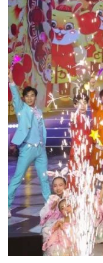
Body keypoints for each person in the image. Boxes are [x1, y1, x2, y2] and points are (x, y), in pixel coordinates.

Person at [8, 73, 50, 216]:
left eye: (32, 95)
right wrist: (11, 81)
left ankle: (49, 205)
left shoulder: (39, 111)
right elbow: (15, 96)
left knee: (44, 177)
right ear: (24, 98)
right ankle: (6, 205)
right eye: (27, 96)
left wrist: (43, 144)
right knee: (17, 178)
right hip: (27, 148)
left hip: (40, 149)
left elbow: (41, 128)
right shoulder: (21, 109)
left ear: (35, 97)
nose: (30, 98)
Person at [40, 171, 68, 242]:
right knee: (46, 230)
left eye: (60, 185)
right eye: (55, 186)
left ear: (65, 185)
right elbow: (42, 214)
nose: (58, 188)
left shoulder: (69, 197)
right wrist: (52, 208)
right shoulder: (52, 199)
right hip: (53, 221)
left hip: (66, 220)